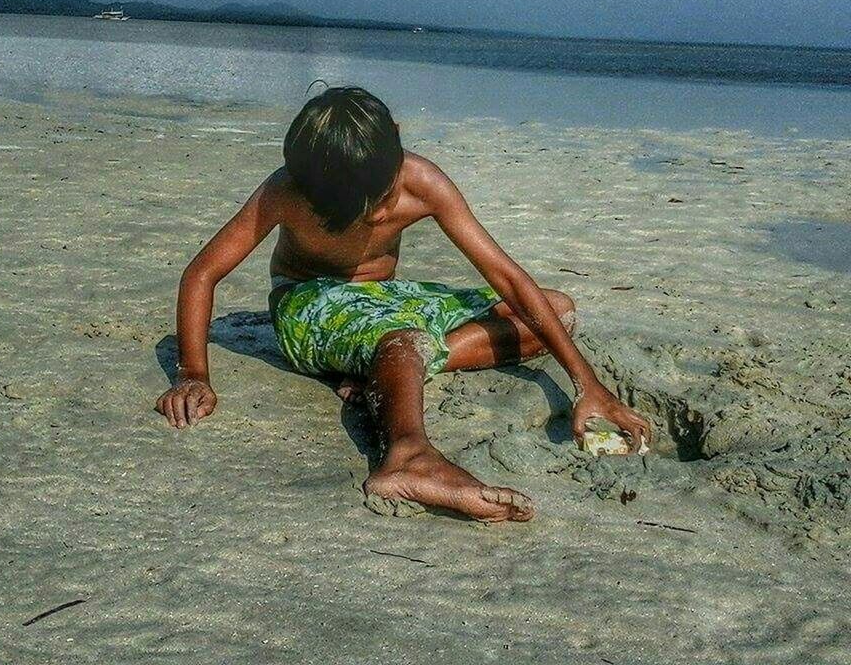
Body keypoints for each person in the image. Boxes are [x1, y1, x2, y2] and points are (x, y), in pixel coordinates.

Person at [155, 86, 652, 522]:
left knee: (554, 309)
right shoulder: (288, 190)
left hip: (389, 301)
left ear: (396, 136)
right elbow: (203, 273)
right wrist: (193, 372)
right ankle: (408, 455)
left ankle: (388, 367)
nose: (376, 212)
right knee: (400, 338)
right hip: (309, 303)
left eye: (380, 196)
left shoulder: (424, 182)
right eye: (353, 207)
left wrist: (589, 385)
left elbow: (505, 275)